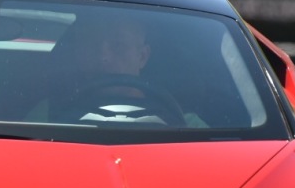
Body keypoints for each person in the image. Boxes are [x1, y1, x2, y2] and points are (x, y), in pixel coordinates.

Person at [25, 14, 205, 126]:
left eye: (119, 47)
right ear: (79, 53)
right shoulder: (49, 115)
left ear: (142, 56)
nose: (104, 57)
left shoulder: (185, 123)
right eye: (92, 46)